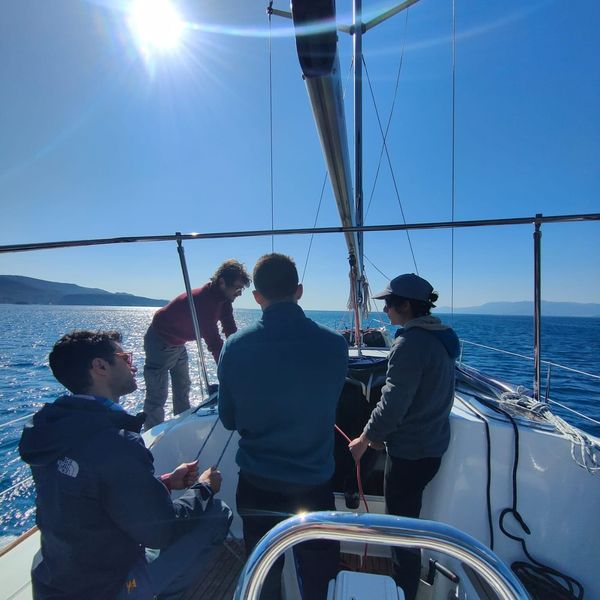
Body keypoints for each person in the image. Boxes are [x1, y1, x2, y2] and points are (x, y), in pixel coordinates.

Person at [19, 330, 232, 600]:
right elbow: (161, 532)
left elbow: (90, 498)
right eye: (125, 357)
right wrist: (204, 487)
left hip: (57, 582)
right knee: (217, 513)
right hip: (109, 588)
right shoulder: (115, 442)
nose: (132, 365)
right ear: (100, 367)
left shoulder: (49, 431)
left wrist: (166, 483)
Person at [218, 253, 348, 600]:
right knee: (320, 576)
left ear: (257, 296)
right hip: (314, 484)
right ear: (299, 291)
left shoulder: (234, 347)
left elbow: (229, 419)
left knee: (264, 575)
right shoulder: (335, 345)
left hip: (257, 484)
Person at [349, 274, 460, 600]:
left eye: (389, 304)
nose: (385, 310)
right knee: (410, 519)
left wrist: (365, 439)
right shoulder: (441, 338)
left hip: (410, 454)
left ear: (406, 306)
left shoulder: (410, 344)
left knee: (401, 529)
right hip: (431, 448)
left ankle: (404, 590)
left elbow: (393, 402)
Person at [143, 259, 251, 429]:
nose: (239, 294)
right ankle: (151, 435)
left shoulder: (223, 301)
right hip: (160, 341)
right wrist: (231, 376)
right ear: (222, 282)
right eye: (237, 288)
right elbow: (215, 345)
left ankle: (182, 428)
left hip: (178, 343)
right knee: (157, 396)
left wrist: (241, 359)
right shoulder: (203, 302)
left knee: (183, 388)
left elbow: (231, 331)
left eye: (241, 290)